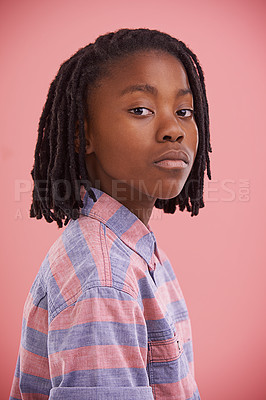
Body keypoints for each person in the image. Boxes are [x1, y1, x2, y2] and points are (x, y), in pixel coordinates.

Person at [9, 28, 211, 400]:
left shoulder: (136, 251)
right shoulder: (106, 279)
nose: (174, 130)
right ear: (82, 136)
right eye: (140, 110)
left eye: (184, 111)